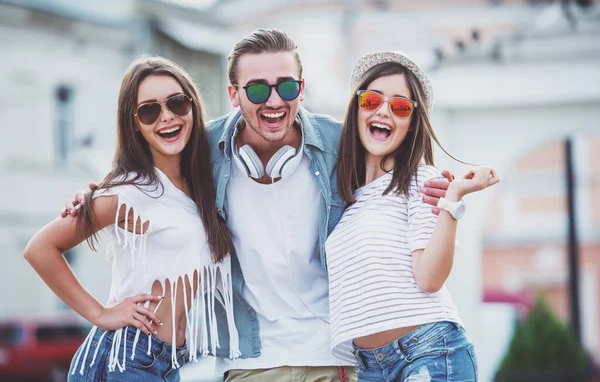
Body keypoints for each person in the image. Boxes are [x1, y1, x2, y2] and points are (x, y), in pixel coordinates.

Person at [63, 30, 452, 382]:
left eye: (285, 86)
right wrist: (97, 197)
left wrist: (436, 183)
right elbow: (147, 170)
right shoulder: (201, 149)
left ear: (301, 88)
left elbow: (392, 155)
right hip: (251, 363)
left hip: (335, 357)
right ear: (234, 95)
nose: (274, 101)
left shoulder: (340, 143)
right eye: (257, 90)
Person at [25, 56, 239, 382]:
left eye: (177, 103)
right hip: (127, 355)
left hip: (165, 360)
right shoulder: (130, 192)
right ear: (134, 123)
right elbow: (40, 248)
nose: (166, 117)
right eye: (149, 110)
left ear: (192, 107)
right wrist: (100, 313)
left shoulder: (199, 186)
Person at [325, 51, 499, 382]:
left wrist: (452, 199)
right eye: (372, 99)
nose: (384, 111)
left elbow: (430, 279)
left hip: (428, 353)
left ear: (411, 121)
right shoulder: (344, 199)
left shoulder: (419, 181)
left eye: (400, 106)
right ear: (356, 107)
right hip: (369, 367)